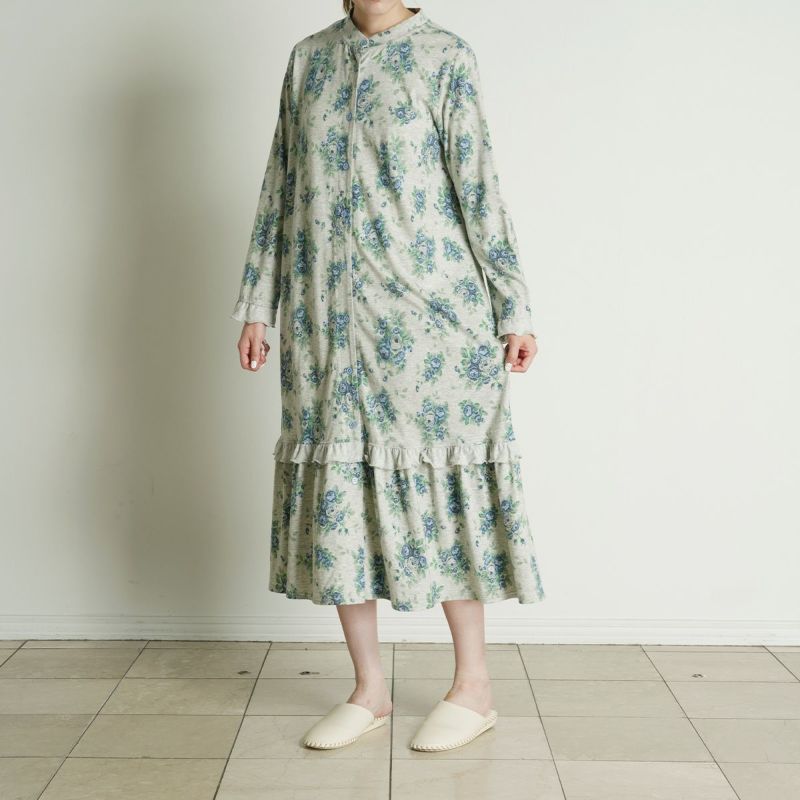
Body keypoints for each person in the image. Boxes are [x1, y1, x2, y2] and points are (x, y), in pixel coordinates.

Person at [231, 0, 546, 751]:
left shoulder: (445, 56)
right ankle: (369, 689)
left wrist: (514, 307)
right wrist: (257, 303)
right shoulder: (308, 59)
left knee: (446, 485)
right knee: (343, 491)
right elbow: (280, 186)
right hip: (324, 325)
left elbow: (479, 187)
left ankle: (473, 686)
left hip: (429, 321)